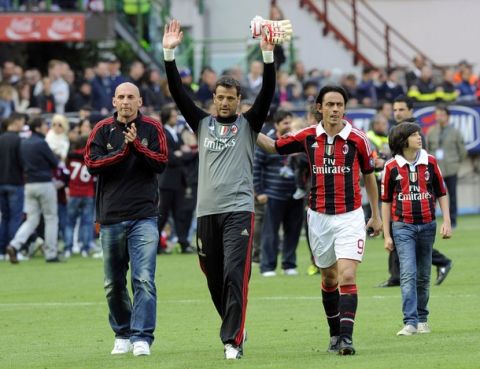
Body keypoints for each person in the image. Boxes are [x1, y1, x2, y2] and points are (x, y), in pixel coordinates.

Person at [163, 19, 276, 360]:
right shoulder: (200, 123)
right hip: (206, 211)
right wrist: (169, 53)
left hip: (238, 210)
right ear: (213, 99)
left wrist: (267, 56)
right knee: (213, 277)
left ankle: (232, 341)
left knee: (233, 273)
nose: (225, 102)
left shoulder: (248, 124)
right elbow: (177, 92)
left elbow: (268, 93)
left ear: (240, 101)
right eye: (220, 97)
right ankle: (235, 322)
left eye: (231, 98)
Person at [256, 85, 382, 355]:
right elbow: (272, 147)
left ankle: (346, 339)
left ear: (345, 108)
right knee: (329, 277)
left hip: (350, 216)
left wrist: (376, 215)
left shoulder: (357, 139)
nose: (335, 109)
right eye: (330, 104)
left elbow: (369, 175)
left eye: (339, 104)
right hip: (318, 218)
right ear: (320, 108)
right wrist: (248, 126)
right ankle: (334, 334)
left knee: (348, 274)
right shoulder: (308, 136)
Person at [84, 82, 168, 356]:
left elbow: (161, 162)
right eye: (121, 97)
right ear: (113, 101)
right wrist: (123, 151)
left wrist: (138, 148)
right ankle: (122, 331)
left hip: (144, 215)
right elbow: (91, 164)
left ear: (140, 101)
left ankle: (142, 336)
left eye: (131, 97)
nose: (126, 101)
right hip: (110, 217)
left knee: (144, 279)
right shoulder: (102, 129)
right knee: (113, 282)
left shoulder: (153, 128)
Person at [381, 122, 452, 336]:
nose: (419, 137)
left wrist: (446, 221)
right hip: (403, 227)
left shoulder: (430, 162)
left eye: (419, 133)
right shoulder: (391, 167)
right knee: (408, 273)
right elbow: (385, 201)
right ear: (403, 141)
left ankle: (422, 319)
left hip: (428, 225)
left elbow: (441, 192)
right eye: (414, 135)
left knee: (423, 275)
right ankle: (410, 321)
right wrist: (387, 234)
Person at [378, 95, 453, 287]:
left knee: (410, 240)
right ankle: (396, 275)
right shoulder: (396, 132)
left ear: (411, 111)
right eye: (395, 110)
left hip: (415, 199)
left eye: (401, 109)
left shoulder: (415, 134)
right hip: (400, 196)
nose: (397, 113)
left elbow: (417, 163)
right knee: (399, 235)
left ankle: (441, 261)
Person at [253, 110, 304, 277]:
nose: (288, 126)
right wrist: (259, 191)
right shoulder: (268, 142)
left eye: (290, 122)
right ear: (276, 125)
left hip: (295, 194)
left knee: (293, 231)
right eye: (285, 123)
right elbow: (256, 167)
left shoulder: (297, 141)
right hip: (273, 194)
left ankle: (289, 264)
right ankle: (267, 266)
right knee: (270, 232)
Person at [6, 117, 60, 264]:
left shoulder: (23, 143)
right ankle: (51, 254)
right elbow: (55, 163)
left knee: (32, 219)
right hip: (44, 183)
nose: (46, 127)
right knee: (51, 218)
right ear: (37, 127)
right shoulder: (41, 143)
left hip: (29, 184)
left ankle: (14, 245)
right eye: (44, 125)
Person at [157, 104, 196, 254]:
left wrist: (183, 153)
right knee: (162, 214)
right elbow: (170, 157)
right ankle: (157, 245)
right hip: (166, 181)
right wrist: (183, 153)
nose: (176, 118)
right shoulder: (163, 133)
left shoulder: (176, 133)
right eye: (174, 116)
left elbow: (183, 153)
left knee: (181, 214)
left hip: (179, 180)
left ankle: (183, 242)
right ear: (167, 117)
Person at [427, 105, 467, 229]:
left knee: (452, 196)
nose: (439, 117)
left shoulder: (455, 132)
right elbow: (427, 149)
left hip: (451, 169)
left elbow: (462, 151)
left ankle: (453, 220)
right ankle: (430, 220)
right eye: (437, 115)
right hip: (436, 170)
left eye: (442, 115)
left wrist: (455, 164)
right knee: (432, 196)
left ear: (448, 116)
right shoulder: (431, 131)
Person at [0, 113, 25, 260]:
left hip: (1, 183)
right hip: (15, 183)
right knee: (15, 218)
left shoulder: (1, 139)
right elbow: (22, 162)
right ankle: (14, 249)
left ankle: (2, 251)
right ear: (15, 122)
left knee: (5, 217)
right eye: (21, 122)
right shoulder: (18, 140)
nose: (23, 125)